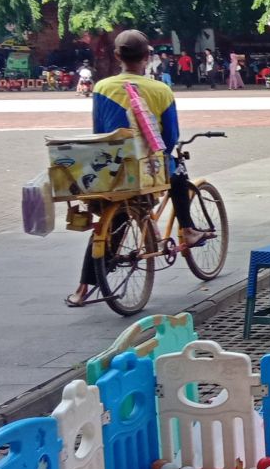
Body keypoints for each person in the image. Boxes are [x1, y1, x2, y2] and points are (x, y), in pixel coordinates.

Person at [67, 30, 207, 307]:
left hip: (111, 167)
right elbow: (169, 138)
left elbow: (99, 131)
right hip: (149, 168)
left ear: (117, 56)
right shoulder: (161, 90)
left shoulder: (102, 88)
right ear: (147, 56)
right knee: (178, 172)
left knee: (113, 219)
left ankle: (83, 288)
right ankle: (189, 229)